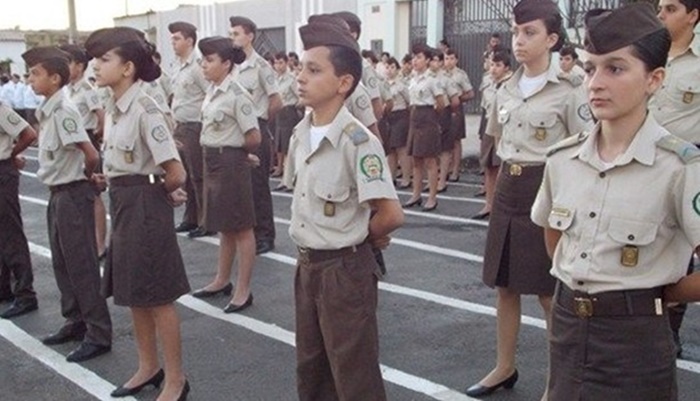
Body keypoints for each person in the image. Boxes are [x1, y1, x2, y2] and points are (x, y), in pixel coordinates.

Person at [531, 4, 699, 399]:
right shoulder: (562, 159)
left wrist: (662, 293)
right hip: (569, 327)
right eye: (591, 69)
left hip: (636, 339)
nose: (595, 83)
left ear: (654, 79)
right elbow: (555, 239)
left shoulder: (679, 167)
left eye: (616, 69)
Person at [464, 0, 592, 397]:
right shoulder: (505, 88)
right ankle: (504, 367)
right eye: (517, 32)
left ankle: (560, 381)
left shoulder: (571, 90)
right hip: (509, 188)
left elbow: (582, 150)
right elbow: (500, 142)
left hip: (548, 190)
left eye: (530, 33)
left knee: (548, 291)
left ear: (552, 39)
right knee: (505, 285)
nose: (520, 40)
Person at [284, 16, 404, 401]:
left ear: (344, 83)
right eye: (301, 67)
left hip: (344, 271)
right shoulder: (300, 133)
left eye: (314, 70)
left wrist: (356, 238)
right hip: (307, 267)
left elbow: (390, 214)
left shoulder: (358, 141)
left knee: (354, 375)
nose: (300, 77)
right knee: (312, 369)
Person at [85, 26, 190, 400]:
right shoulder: (115, 107)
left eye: (104, 59)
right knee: (134, 292)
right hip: (125, 202)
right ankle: (148, 367)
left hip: (145, 204)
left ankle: (175, 379)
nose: (95, 66)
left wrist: (153, 195)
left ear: (127, 67)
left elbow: (175, 171)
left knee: (159, 296)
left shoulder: (145, 107)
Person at [22, 46, 112, 362]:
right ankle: (75, 320)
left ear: (55, 78)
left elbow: (90, 153)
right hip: (57, 193)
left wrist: (87, 179)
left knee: (82, 264)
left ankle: (98, 332)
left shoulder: (63, 111)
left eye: (35, 73)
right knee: (62, 262)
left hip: (72, 193)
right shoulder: (49, 109)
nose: (30, 79)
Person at [190, 36, 261, 313]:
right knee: (225, 225)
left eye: (209, 60)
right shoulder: (213, 90)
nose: (204, 65)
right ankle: (221, 280)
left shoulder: (236, 94)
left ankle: (243, 290)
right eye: (203, 60)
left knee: (241, 226)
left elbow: (253, 136)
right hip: (213, 160)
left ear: (226, 63)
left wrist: (236, 153)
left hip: (229, 162)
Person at [653, 0, 700, 356]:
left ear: (693, 15)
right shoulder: (650, 52)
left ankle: (670, 328)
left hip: (691, 168)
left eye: (670, 8)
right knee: (650, 248)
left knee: (684, 253)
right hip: (646, 165)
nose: (661, 15)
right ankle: (650, 324)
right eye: (659, 8)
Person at [229, 15, 282, 255]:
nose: (233, 38)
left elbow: (276, 101)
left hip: (256, 128)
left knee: (258, 186)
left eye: (237, 33)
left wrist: (261, 123)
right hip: (236, 131)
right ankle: (249, 232)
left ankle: (265, 235)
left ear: (250, 36)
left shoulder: (261, 66)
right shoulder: (233, 66)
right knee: (242, 186)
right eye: (231, 34)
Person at [59, 44, 109, 260]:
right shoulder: (68, 90)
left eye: (67, 63)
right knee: (80, 192)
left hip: (87, 139)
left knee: (93, 193)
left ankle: (100, 244)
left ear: (79, 66)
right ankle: (88, 242)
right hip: (74, 142)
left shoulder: (87, 89)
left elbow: (101, 115)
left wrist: (98, 134)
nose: (64, 68)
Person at [169, 21, 211, 239]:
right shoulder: (177, 65)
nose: (173, 43)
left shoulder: (197, 65)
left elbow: (209, 95)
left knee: (198, 175)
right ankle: (191, 217)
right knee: (186, 176)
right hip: (180, 126)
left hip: (195, 126)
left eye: (177, 38)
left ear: (189, 40)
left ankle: (206, 220)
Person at [0, 97, 38, 319]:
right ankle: (5, 287)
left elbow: (29, 134)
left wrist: (11, 155)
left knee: (11, 233)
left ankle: (25, 293)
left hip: (2, 172)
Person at [402, 44, 445, 212]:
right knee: (416, 160)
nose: (415, 61)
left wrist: (431, 118)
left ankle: (432, 198)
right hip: (415, 118)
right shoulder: (412, 79)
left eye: (419, 57)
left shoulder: (432, 80)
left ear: (427, 60)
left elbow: (441, 103)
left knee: (430, 161)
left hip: (428, 118)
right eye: (413, 57)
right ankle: (416, 194)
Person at [473, 49, 512, 220]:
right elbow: (486, 107)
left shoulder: (511, 85)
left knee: (503, 168)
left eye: (498, 65)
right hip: (489, 125)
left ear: (507, 68)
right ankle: (489, 204)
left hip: (506, 129)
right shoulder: (488, 82)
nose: (493, 69)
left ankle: (501, 206)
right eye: (492, 64)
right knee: (489, 167)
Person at [271, 51, 302, 186]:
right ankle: (279, 169)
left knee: (288, 143)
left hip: (289, 112)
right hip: (279, 113)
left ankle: (288, 176)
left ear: (286, 63)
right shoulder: (275, 79)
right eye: (276, 63)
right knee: (278, 142)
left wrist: (296, 107)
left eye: (281, 62)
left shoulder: (291, 79)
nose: (278, 66)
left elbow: (299, 96)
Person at [444, 49, 475, 183]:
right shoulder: (440, 74)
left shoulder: (460, 75)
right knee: (445, 141)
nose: (448, 61)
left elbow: (470, 93)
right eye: (446, 58)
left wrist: (457, 98)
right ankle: (446, 169)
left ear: (456, 60)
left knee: (456, 141)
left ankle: (455, 170)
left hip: (456, 109)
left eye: (451, 58)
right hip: (443, 109)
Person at [385, 57, 411, 188]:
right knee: (390, 150)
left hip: (401, 115)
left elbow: (409, 101)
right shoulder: (383, 84)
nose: (389, 70)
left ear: (397, 69)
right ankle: (391, 177)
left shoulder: (401, 85)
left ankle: (406, 178)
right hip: (389, 117)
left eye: (392, 67)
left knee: (402, 149)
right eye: (387, 67)